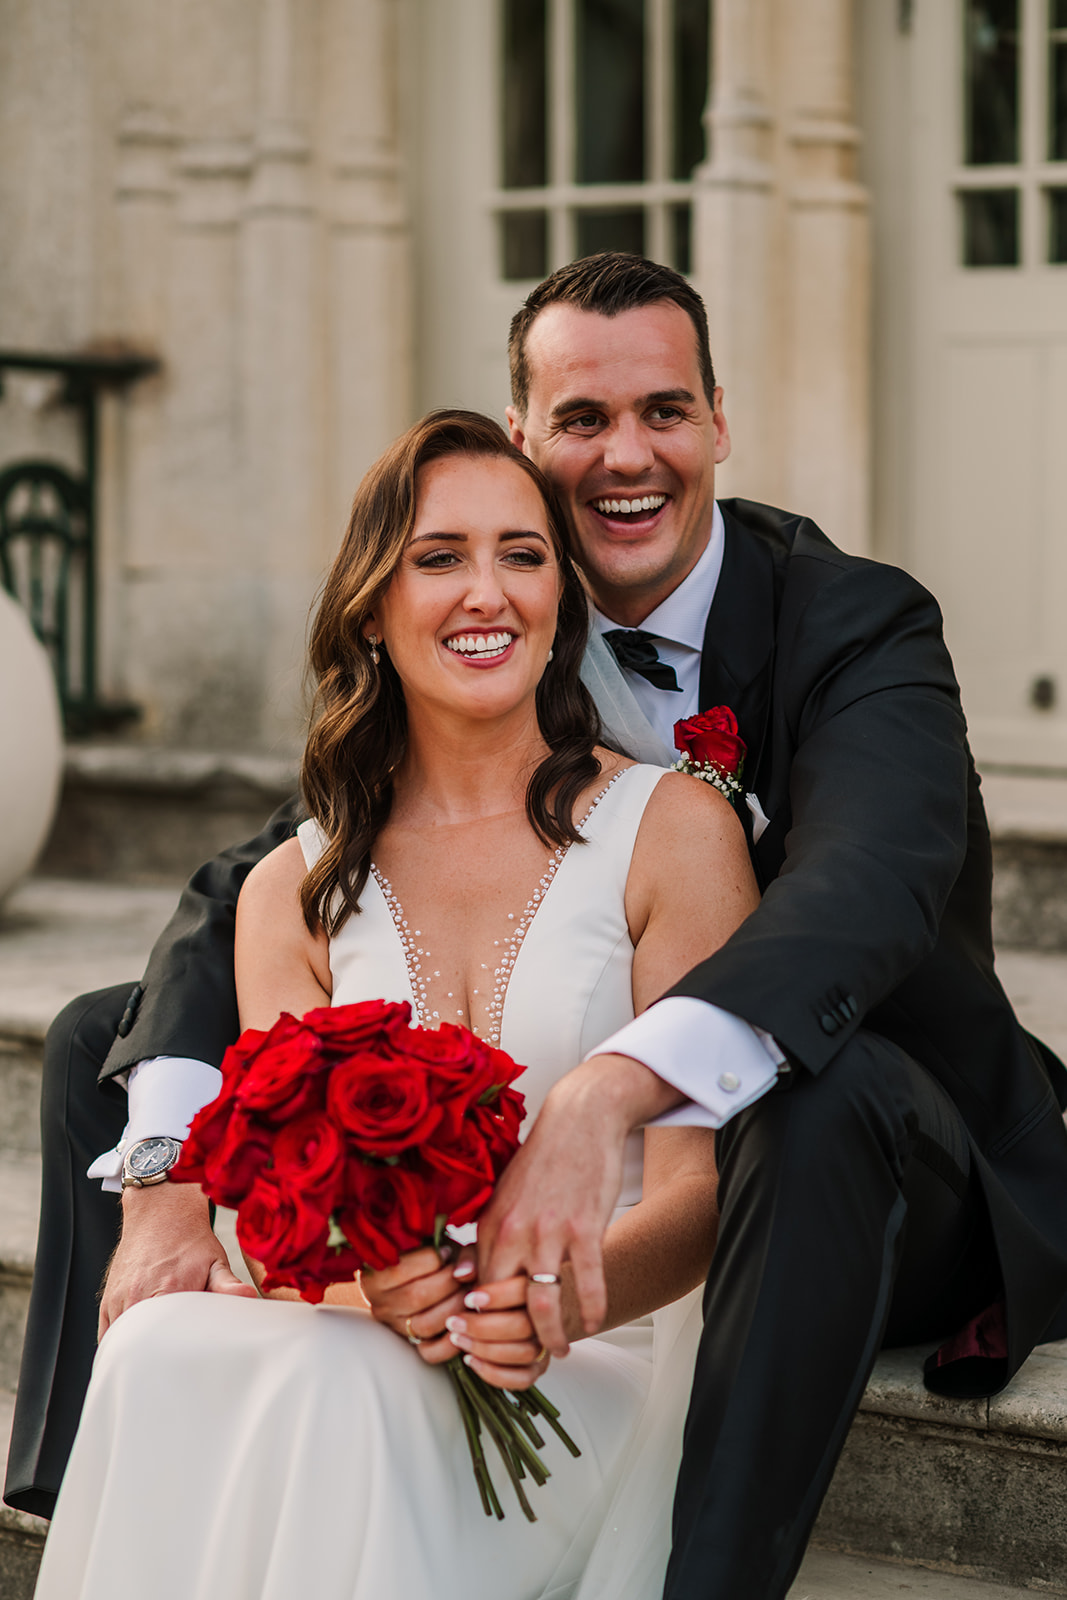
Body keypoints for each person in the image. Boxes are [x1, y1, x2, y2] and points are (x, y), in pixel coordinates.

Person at [9, 252, 1067, 1598]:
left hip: (874, 1150)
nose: (626, 454)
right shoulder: (500, 613)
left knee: (808, 1097)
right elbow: (266, 871)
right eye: (580, 419)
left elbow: (866, 883)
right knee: (111, 1041)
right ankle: (80, 1489)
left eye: (662, 412)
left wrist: (610, 1094)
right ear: (524, 436)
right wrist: (169, 1179)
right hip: (539, 1205)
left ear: (717, 423)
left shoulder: (848, 625)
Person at [32, 409, 757, 1599]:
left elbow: (698, 1196)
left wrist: (545, 1302)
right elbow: (289, 1224)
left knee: (329, 1394)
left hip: (591, 1359)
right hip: (375, 1342)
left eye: (523, 555)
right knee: (159, 1343)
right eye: (439, 557)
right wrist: (371, 1279)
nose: (488, 593)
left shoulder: (669, 832)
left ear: (560, 599)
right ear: (371, 606)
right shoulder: (292, 890)